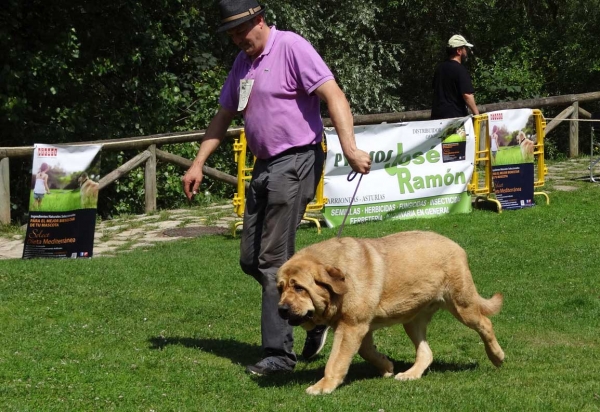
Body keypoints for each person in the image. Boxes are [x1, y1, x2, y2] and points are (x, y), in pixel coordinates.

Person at [182, 0, 371, 376]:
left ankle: (280, 356)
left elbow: (334, 95)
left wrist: (349, 148)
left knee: (272, 261)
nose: (237, 39)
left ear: (260, 20)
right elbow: (223, 115)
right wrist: (198, 162)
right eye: (231, 33)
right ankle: (313, 313)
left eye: (241, 30)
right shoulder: (243, 64)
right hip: (264, 165)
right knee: (251, 260)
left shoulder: (291, 47)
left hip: (297, 159)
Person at [431, 34, 479, 120]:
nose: (466, 51)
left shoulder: (439, 68)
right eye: (465, 48)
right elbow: (467, 94)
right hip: (455, 120)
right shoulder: (460, 70)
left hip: (437, 119)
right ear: (459, 51)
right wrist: (477, 114)